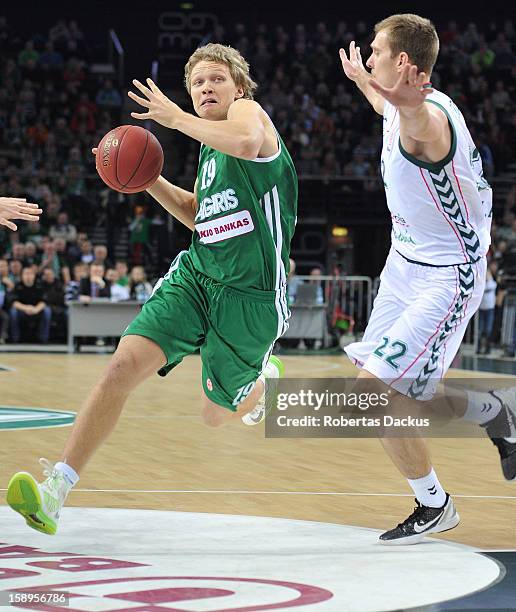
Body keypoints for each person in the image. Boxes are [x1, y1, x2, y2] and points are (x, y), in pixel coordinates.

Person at [7, 42, 297, 535]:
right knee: (122, 365)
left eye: (216, 79)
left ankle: (261, 381)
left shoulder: (250, 117)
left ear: (239, 87)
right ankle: (58, 488)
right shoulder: (210, 149)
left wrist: (176, 117)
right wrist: (148, 179)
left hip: (251, 296)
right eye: (197, 82)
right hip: (199, 276)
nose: (206, 87)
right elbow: (198, 215)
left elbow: (248, 143)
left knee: (212, 416)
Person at [339, 14, 514, 545]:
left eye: (375, 51)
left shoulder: (426, 120)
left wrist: (404, 101)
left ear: (406, 65)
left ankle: (435, 505)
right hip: (403, 266)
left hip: (447, 277)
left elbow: (418, 126)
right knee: (405, 393)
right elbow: (389, 109)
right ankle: (496, 411)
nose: (369, 57)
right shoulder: (398, 105)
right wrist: (365, 84)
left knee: (372, 394)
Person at [9, 267, 52, 343]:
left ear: (34, 275)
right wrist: (26, 308)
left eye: (30, 274)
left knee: (47, 311)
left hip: (36, 310)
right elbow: (14, 302)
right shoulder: (17, 285)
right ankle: (15, 339)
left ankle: (43, 338)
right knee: (13, 312)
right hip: (22, 311)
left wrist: (36, 309)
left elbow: (44, 301)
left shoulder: (39, 285)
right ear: (22, 275)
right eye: (26, 274)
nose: (28, 276)